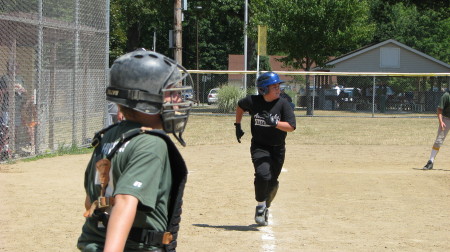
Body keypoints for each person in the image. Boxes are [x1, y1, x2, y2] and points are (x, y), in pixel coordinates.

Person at [77, 49, 193, 251]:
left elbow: (90, 202)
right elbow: (124, 201)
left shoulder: (107, 136)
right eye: (171, 93)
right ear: (146, 99)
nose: (177, 100)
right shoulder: (150, 142)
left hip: (94, 242)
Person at [234, 71, 296, 226]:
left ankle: (266, 203)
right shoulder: (253, 101)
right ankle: (261, 206)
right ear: (263, 89)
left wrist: (274, 123)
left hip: (278, 149)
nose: (278, 89)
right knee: (263, 175)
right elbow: (240, 107)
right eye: (274, 86)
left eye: (278, 86)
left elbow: (291, 127)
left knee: (272, 182)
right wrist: (238, 125)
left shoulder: (284, 104)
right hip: (259, 146)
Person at [422, 90, 450, 170]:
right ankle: (430, 161)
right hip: (446, 119)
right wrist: (441, 122)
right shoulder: (446, 96)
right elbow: (439, 110)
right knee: (438, 141)